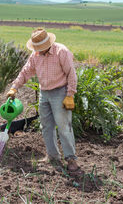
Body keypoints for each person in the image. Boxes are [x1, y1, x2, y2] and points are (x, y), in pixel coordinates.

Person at [7, 28, 80, 172]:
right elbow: (26, 71)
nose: (39, 50)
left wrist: (70, 94)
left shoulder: (61, 52)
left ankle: (71, 159)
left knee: (64, 126)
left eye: (41, 47)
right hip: (44, 93)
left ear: (48, 43)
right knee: (46, 126)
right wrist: (14, 87)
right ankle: (53, 156)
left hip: (60, 92)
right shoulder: (35, 55)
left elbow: (71, 73)